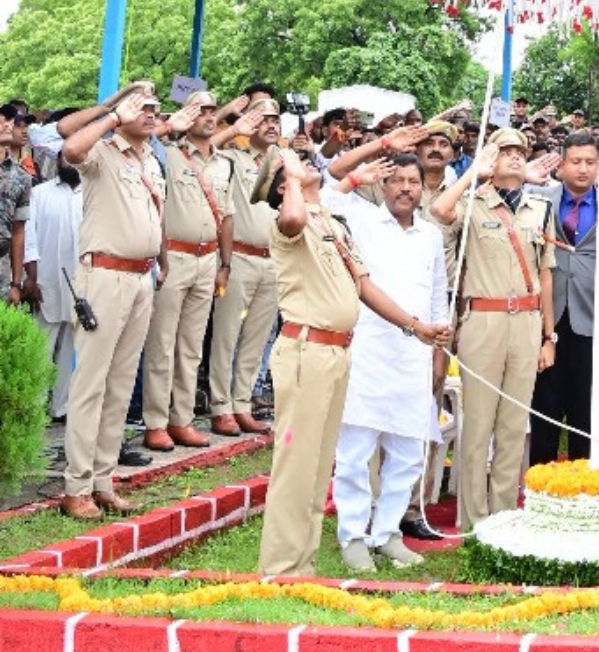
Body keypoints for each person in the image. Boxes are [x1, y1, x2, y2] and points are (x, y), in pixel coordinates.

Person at [252, 148, 450, 577]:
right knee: (303, 463)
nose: (310, 165)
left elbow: (364, 285)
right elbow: (291, 219)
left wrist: (417, 327)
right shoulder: (294, 220)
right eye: (300, 164)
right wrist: (290, 173)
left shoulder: (331, 223)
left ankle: (302, 561)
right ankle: (286, 566)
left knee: (319, 462)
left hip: (340, 351)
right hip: (310, 350)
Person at [323, 153, 448, 571]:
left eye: (413, 181)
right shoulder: (361, 220)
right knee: (356, 450)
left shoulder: (430, 235)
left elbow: (437, 293)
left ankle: (388, 531)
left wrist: (437, 348)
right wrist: (355, 178)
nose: (405, 188)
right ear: (384, 185)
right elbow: (323, 200)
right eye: (396, 181)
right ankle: (353, 535)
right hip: (369, 350)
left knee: (409, 450)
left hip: (415, 354)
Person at [430, 129, 558, 528]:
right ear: (490, 158)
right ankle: (473, 520)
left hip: (527, 320)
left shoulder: (540, 208)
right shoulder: (472, 204)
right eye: (506, 152)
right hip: (482, 319)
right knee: (479, 424)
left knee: (514, 425)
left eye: (521, 151)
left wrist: (548, 336)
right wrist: (474, 174)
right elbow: (438, 211)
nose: (516, 157)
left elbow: (546, 274)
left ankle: (503, 518)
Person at [57, 87, 165, 518]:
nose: (152, 114)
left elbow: (157, 216)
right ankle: (76, 486)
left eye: (155, 108)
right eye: (143, 107)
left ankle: (103, 481)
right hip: (104, 276)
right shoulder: (103, 150)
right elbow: (70, 144)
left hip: (141, 277)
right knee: (91, 385)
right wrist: (115, 114)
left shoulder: (150, 159)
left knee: (120, 386)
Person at [528, 133, 599, 464]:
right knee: (544, 409)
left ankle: (581, 490)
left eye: (590, 162)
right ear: (561, 165)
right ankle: (541, 487)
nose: (583, 169)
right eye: (576, 162)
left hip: (593, 320)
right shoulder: (540, 199)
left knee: (585, 413)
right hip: (547, 320)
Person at [140, 93, 234, 453]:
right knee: (161, 344)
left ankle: (182, 419)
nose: (208, 117)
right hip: (174, 255)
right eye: (200, 110)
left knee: (191, 346)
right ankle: (156, 422)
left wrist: (225, 265)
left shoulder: (223, 163)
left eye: (212, 110)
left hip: (207, 258)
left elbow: (227, 217)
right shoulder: (167, 154)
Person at [206, 97, 282, 437]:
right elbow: (204, 145)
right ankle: (220, 406)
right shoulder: (232, 159)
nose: (270, 124)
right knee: (226, 335)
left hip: (274, 260)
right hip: (239, 256)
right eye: (261, 118)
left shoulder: (284, 163)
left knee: (257, 337)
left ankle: (242, 404)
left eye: (274, 119)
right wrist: (233, 126)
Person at [22, 160, 83, 418]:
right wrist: (31, 278)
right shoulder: (40, 193)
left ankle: (62, 407)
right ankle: (34, 408)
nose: (69, 163)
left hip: (82, 284)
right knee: (42, 348)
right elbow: (28, 237)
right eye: (65, 157)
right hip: (45, 282)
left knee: (73, 347)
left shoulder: (93, 193)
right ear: (58, 161)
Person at [0, 104, 30, 307]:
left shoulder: (21, 177)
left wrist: (16, 283)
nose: (7, 125)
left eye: (10, 120)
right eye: (1, 119)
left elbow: (19, 231)